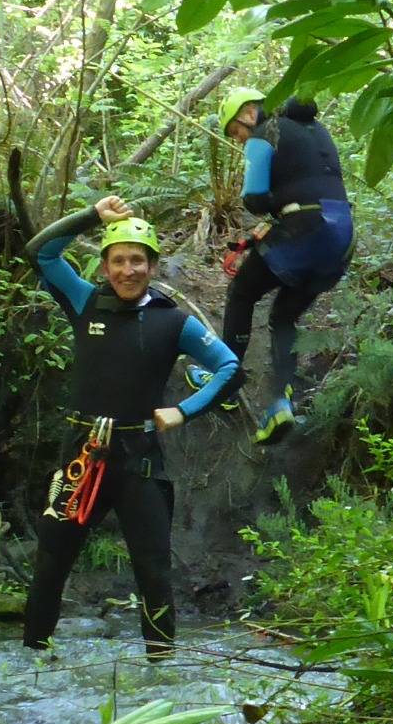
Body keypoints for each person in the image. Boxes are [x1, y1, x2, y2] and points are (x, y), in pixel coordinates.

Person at [19, 195, 238, 657]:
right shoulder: (83, 300)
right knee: (51, 563)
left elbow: (228, 367)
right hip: (82, 454)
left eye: (137, 260)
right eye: (117, 261)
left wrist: (185, 410)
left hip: (139, 459)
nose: (127, 270)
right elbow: (40, 253)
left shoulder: (173, 321)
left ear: (152, 265)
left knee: (154, 570)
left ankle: (160, 669)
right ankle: (32, 664)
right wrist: (91, 217)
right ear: (104, 266)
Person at [217, 88, 355, 443]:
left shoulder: (264, 133)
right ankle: (282, 401)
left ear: (249, 112)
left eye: (235, 131)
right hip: (341, 237)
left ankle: (224, 382)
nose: (238, 139)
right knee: (282, 316)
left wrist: (271, 203)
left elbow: (255, 200)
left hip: (306, 230)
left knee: (242, 292)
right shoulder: (313, 128)